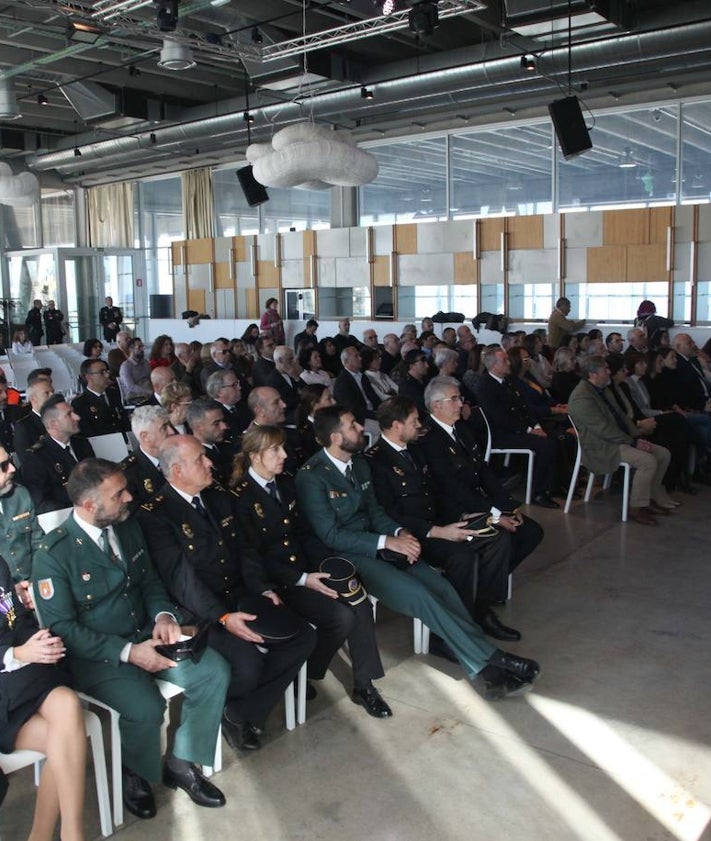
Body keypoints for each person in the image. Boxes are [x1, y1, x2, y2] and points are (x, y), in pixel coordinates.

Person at [295, 404, 541, 701]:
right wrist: (386, 542)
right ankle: (493, 661)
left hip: (382, 543)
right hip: (347, 556)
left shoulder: (358, 464)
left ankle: (486, 666)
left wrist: (401, 534)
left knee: (443, 589)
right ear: (335, 437)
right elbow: (330, 535)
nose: (361, 428)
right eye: (352, 425)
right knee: (420, 595)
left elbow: (375, 511)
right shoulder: (311, 476)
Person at [32, 458, 230, 819]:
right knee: (146, 708)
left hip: (144, 631)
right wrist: (128, 653)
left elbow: (150, 581)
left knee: (213, 671)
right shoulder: (53, 555)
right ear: (90, 505)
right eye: (119, 493)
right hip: (97, 654)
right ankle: (135, 773)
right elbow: (63, 629)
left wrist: (163, 616)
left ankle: (182, 763)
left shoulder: (127, 527)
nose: (129, 496)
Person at [140, 435, 315, 749]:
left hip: (240, 595)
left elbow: (245, 550)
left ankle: (240, 712)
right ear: (177, 471)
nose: (210, 463)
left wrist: (262, 589)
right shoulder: (157, 514)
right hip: (199, 611)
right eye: (199, 460)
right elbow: (182, 580)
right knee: (247, 666)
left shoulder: (218, 496)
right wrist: (222, 617)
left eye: (206, 457)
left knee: (303, 637)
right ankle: (239, 709)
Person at [232, 424, 390, 715]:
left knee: (359, 602)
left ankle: (364, 685)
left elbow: (305, 533)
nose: (284, 455)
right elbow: (253, 556)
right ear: (255, 457)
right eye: (275, 450)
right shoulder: (240, 497)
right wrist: (303, 579)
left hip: (307, 568)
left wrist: (322, 568)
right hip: (277, 584)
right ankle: (300, 673)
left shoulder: (287, 482)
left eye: (283, 447)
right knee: (341, 617)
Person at [366, 397, 518, 642]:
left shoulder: (416, 449)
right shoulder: (375, 461)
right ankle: (448, 634)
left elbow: (437, 491)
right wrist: (438, 531)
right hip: (414, 536)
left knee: (496, 537)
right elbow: (390, 514)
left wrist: (464, 516)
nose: (419, 425)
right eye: (414, 421)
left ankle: (478, 610)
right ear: (397, 425)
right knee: (461, 556)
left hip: (441, 522)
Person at [0, 553, 87, 841]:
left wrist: (37, 640)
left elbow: (17, 618)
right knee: (63, 738)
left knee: (67, 705)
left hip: (19, 675)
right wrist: (15, 654)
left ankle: (67, 835)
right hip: (9, 678)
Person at [418, 376, 544, 574]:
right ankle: (484, 588)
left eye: (460, 398)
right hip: (454, 513)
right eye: (455, 399)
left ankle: (489, 580)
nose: (461, 403)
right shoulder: (428, 439)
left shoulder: (461, 429)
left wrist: (508, 506)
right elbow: (451, 488)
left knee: (531, 532)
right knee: (499, 538)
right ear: (437, 406)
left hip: (477, 503)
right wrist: (494, 513)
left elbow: (483, 470)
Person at [568, 356, 677, 526]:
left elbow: (622, 417)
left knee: (663, 453)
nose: (609, 372)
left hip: (617, 440)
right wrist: (633, 443)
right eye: (605, 369)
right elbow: (603, 429)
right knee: (647, 461)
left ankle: (651, 497)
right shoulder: (581, 397)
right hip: (601, 446)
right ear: (593, 374)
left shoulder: (603, 390)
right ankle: (636, 508)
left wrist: (637, 435)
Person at [476, 347, 560, 508]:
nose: (509, 363)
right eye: (504, 361)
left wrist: (535, 425)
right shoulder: (486, 386)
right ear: (493, 366)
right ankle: (539, 492)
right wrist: (529, 430)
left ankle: (555, 485)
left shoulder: (507, 381)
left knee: (557, 436)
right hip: (502, 434)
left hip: (518, 429)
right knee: (545, 444)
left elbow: (525, 407)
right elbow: (501, 418)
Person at [21, 395, 95, 513]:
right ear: (54, 424)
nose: (77, 417)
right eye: (69, 414)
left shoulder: (82, 444)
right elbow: (42, 503)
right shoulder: (36, 457)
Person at [0, 447, 42, 606]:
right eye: (3, 465)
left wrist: (34, 583)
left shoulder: (20, 494)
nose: (12, 468)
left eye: (10, 461)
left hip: (33, 586)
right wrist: (11, 591)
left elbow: (38, 543)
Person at [122, 406, 176, 508]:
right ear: (145, 437)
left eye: (170, 426)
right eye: (164, 428)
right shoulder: (128, 474)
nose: (172, 432)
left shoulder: (180, 456)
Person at [71, 358, 128, 437]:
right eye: (102, 372)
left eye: (107, 371)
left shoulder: (114, 393)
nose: (107, 375)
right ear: (89, 377)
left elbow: (123, 420)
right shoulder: (80, 403)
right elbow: (87, 433)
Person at [334, 346, 381, 434]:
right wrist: (375, 414)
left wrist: (383, 409)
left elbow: (374, 397)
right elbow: (352, 409)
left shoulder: (362, 376)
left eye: (359, 355)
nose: (360, 358)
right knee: (385, 428)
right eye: (356, 356)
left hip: (372, 413)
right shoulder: (342, 382)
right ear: (347, 361)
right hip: (359, 419)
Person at [186, 397, 233, 485]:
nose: (224, 427)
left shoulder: (228, 445)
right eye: (216, 423)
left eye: (223, 421)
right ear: (198, 427)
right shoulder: (195, 459)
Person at [205, 368, 251, 449]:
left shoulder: (243, 405)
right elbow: (225, 445)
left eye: (238, 383)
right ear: (219, 392)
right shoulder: (212, 414)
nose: (239, 387)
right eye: (234, 385)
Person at [12, 376, 54, 463]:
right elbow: (28, 462)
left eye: (52, 392)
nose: (52, 396)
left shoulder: (59, 418)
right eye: (46, 393)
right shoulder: (24, 427)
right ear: (33, 399)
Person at [296, 384, 335, 463]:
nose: (334, 402)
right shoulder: (308, 433)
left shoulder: (332, 421)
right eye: (329, 399)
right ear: (314, 405)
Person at [266, 346, 301, 426]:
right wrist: (300, 398)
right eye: (290, 359)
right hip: (285, 415)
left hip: (297, 410)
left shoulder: (291, 372)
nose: (293, 362)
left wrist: (296, 377)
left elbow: (307, 390)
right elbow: (283, 402)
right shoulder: (272, 380)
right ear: (281, 360)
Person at [119, 338, 152, 402]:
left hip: (148, 393)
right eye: (139, 347)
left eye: (142, 346)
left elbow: (150, 379)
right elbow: (131, 387)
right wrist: (149, 392)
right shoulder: (126, 366)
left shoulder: (145, 363)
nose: (142, 349)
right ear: (131, 349)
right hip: (134, 396)